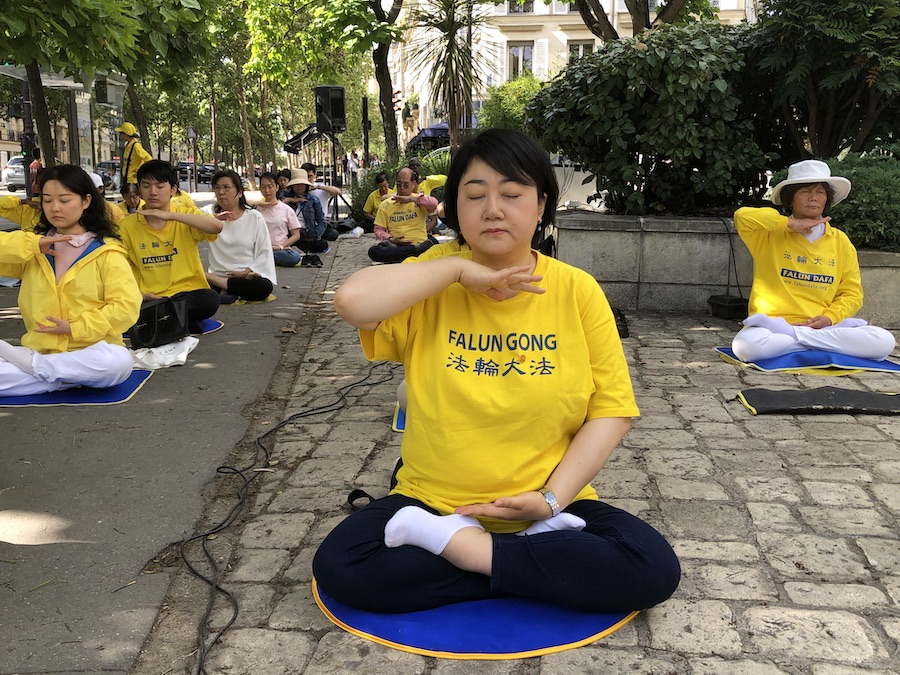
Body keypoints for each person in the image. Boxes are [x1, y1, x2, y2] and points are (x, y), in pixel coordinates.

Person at [313, 129, 680, 615]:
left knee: (652, 568)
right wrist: (457, 272)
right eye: (475, 194)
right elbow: (351, 302)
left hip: (547, 504)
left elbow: (611, 412)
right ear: (455, 206)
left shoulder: (577, 290)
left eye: (511, 193)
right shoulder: (433, 275)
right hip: (434, 500)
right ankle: (527, 563)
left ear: (541, 203)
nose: (493, 209)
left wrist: (551, 501)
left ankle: (464, 550)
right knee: (344, 566)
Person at [732, 159, 896, 362]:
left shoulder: (840, 241)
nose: (813, 198)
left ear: (827, 199)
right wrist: (790, 223)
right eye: (805, 191)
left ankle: (800, 341)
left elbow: (852, 294)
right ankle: (814, 343)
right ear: (790, 199)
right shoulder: (769, 234)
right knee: (745, 347)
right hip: (774, 326)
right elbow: (742, 216)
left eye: (820, 192)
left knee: (883, 341)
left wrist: (830, 318)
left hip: (823, 327)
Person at [0, 164, 141, 396]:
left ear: (86, 201)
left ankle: (35, 368)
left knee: (118, 363)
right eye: (47, 200)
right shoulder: (34, 248)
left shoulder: (107, 251)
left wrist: (74, 328)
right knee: (103, 371)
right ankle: (61, 376)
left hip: (91, 349)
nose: (55, 208)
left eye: (64, 200)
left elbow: (126, 307)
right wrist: (31, 245)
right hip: (42, 349)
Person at [118, 160, 223, 333]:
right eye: (146, 186)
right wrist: (140, 295)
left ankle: (160, 322)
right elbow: (119, 269)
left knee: (210, 299)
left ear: (173, 189)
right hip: (148, 297)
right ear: (139, 190)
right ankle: (177, 322)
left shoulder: (184, 216)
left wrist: (171, 216)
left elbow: (216, 226)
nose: (153, 192)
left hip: (185, 294)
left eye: (160, 186)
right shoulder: (126, 226)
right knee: (126, 304)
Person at [203, 170, 276, 304]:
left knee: (264, 287)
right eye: (217, 187)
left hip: (245, 276)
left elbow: (264, 250)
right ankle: (223, 287)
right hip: (217, 272)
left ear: (240, 192)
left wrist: (249, 270)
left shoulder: (254, 217)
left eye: (226, 187)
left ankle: (220, 286)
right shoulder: (207, 213)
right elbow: (187, 229)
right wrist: (213, 219)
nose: (221, 192)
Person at [367, 167, 438, 264]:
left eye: (406, 185)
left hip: (418, 241)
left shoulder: (419, 200)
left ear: (413, 184)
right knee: (373, 251)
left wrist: (411, 199)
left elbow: (434, 203)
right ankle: (414, 251)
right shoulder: (386, 204)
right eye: (399, 185)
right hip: (395, 245)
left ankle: (404, 254)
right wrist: (391, 239)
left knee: (433, 243)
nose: (402, 188)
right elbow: (378, 229)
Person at [256, 171, 303, 267]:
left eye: (270, 186)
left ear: (277, 187)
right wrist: (258, 204)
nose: (267, 190)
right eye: (263, 187)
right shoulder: (257, 209)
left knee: (294, 257)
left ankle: (264, 260)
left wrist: (281, 246)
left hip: (280, 250)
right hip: (261, 248)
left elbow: (296, 235)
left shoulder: (286, 209)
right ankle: (265, 259)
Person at [283, 171, 329, 268]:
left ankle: (297, 249)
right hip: (290, 233)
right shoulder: (284, 197)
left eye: (302, 184)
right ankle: (301, 249)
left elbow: (321, 221)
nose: (299, 187)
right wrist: (290, 200)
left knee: (322, 244)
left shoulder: (313, 199)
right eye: (296, 184)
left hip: (308, 233)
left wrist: (316, 233)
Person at [116, 122, 152, 186]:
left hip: (133, 181)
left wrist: (141, 171)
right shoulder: (129, 145)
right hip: (128, 180)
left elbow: (148, 159)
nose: (120, 135)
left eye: (121, 133)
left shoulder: (136, 146)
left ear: (126, 133)